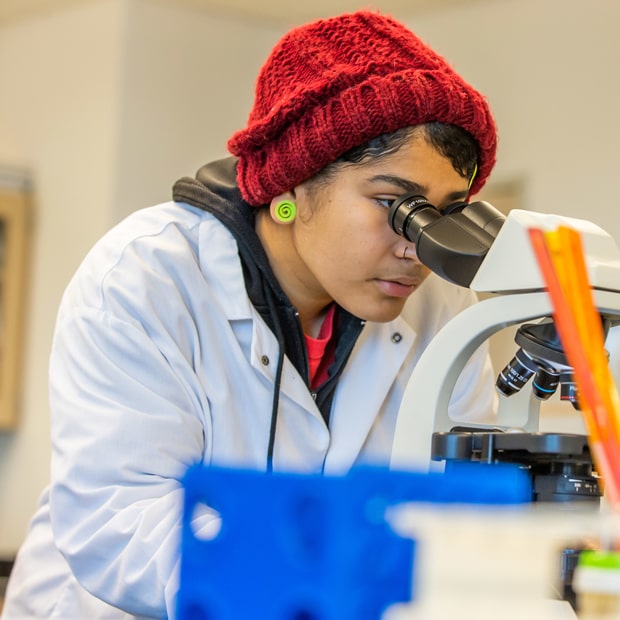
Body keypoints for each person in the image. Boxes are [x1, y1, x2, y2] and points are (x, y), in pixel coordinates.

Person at [2, 9, 499, 619]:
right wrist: (323, 573)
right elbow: (122, 524)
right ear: (292, 183)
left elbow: (465, 505)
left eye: (443, 215)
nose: (415, 245)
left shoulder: (442, 306)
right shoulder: (147, 275)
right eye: (393, 205)